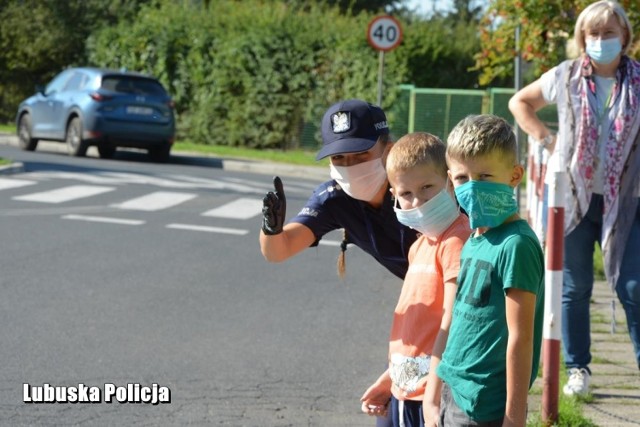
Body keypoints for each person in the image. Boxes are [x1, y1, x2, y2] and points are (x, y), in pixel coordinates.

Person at [260, 99, 420, 426]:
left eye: (361, 154)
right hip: (427, 314)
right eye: (339, 158)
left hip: (466, 301)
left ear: (388, 148)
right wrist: (270, 228)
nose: (350, 166)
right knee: (395, 415)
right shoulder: (335, 199)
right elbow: (279, 250)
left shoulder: (419, 185)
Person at [508, 0, 640, 396]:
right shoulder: (564, 76)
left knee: (633, 286)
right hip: (571, 196)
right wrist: (547, 140)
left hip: (628, 199)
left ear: (624, 37)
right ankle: (577, 368)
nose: (601, 41)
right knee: (575, 285)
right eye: (594, 34)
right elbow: (520, 102)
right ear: (583, 38)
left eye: (609, 33)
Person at [436, 114, 545, 426]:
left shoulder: (516, 244)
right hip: (455, 391)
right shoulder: (475, 237)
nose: (471, 188)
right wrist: (437, 388)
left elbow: (520, 338)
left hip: (486, 406)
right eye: (460, 178)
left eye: (484, 176)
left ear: (514, 176)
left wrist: (514, 416)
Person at [359, 132, 470, 427]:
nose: (418, 201)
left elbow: (453, 321)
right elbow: (417, 328)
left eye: (427, 188)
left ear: (448, 182)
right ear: (393, 195)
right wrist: (392, 376)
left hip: (432, 396)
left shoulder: (455, 242)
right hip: (407, 389)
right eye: (406, 194)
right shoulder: (420, 245)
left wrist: (432, 398)